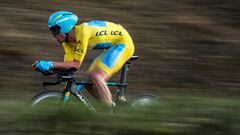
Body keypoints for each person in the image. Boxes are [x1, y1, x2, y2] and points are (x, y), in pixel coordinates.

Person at [32, 11, 135, 107]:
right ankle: (111, 106)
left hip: (123, 44)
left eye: (55, 31)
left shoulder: (83, 32)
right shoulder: (67, 42)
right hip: (112, 46)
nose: (53, 35)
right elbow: (69, 66)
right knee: (88, 83)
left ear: (65, 28)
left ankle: (109, 114)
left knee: (96, 76)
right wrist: (48, 69)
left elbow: (76, 64)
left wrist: (50, 64)